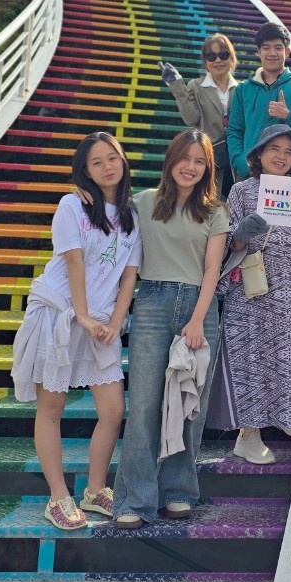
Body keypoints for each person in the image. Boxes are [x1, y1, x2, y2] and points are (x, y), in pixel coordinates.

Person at [11, 132, 141, 531]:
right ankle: (57, 496)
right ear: (85, 171)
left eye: (112, 158)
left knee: (113, 410)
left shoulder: (131, 215)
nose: (107, 167)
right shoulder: (72, 205)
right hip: (60, 314)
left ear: (123, 161)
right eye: (96, 162)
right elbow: (73, 261)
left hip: (101, 320)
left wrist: (115, 323)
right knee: (52, 408)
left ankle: (95, 490)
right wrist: (82, 316)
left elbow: (129, 275)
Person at [113, 130, 229, 529]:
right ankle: (135, 499)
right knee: (144, 404)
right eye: (185, 158)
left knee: (190, 404)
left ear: (207, 169)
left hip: (199, 307)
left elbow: (212, 269)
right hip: (152, 301)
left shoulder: (215, 211)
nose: (190, 167)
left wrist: (196, 319)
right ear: (171, 159)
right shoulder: (142, 202)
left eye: (199, 161)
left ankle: (179, 491)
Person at [209, 124, 291, 463]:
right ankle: (248, 435)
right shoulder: (240, 191)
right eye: (274, 149)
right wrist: (241, 234)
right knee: (250, 359)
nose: (281, 156)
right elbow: (228, 243)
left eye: (289, 151)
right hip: (251, 286)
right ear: (259, 154)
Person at [227, 22, 291, 181]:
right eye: (266, 48)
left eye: (278, 48)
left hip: (288, 175)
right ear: (258, 52)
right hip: (249, 174)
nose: (272, 53)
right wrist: (241, 162)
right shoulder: (243, 89)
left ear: (287, 52)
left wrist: (289, 116)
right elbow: (234, 130)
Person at [160, 33, 241, 196]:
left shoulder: (242, 88)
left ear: (231, 58)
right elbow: (191, 119)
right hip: (209, 157)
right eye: (211, 56)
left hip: (236, 159)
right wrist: (177, 86)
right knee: (208, 202)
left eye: (223, 54)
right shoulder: (196, 86)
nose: (217, 60)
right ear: (205, 61)